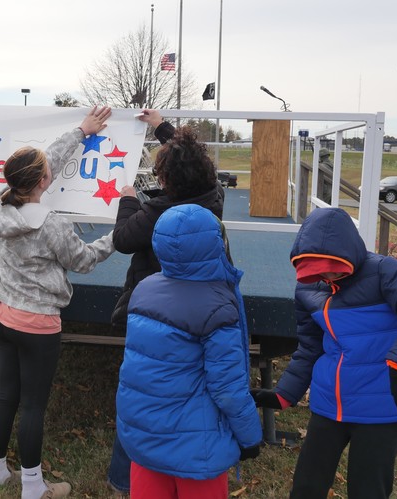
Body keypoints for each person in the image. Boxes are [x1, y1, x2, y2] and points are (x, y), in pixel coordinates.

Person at [251, 207, 397, 499]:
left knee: (368, 490)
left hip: (379, 406)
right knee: (306, 487)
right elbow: (310, 347)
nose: (326, 274)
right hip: (328, 404)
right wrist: (285, 393)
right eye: (316, 268)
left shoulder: (384, 272)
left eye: (331, 265)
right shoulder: (308, 289)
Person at [0, 105, 116, 499]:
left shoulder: (1, 204)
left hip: (1, 311)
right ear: (44, 181)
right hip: (37, 324)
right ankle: (32, 487)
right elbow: (84, 260)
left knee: (6, 394)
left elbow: (43, 166)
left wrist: (80, 132)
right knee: (34, 406)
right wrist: (118, 234)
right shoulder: (53, 223)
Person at [107, 109, 228, 496]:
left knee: (144, 392)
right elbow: (188, 163)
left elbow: (125, 238)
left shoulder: (158, 212)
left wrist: (127, 200)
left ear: (165, 179)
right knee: (196, 388)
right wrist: (161, 127)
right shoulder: (214, 198)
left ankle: (124, 477)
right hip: (202, 308)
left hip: (156, 311)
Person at [116, 204, 262, 499]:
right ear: (215, 244)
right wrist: (250, 437)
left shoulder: (143, 290)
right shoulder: (217, 306)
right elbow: (228, 388)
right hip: (198, 451)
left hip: (144, 439)